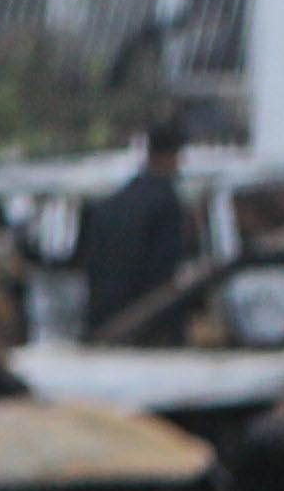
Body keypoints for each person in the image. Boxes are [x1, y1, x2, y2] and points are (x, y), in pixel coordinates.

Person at [77, 113, 200, 336]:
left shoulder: (115, 201)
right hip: (145, 321)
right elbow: (163, 272)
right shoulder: (165, 202)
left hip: (105, 319)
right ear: (173, 155)